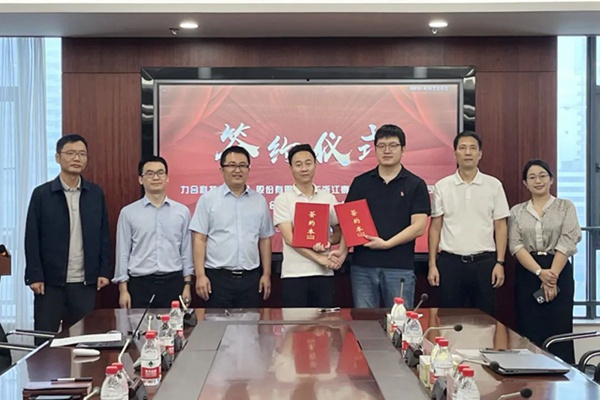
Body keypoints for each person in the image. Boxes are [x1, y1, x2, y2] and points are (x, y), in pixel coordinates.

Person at [330, 124, 431, 309]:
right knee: (365, 322)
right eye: (381, 146)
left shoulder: (415, 184)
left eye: (393, 145)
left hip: (399, 267)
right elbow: (349, 221)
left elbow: (418, 227)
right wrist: (343, 251)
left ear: (403, 149)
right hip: (363, 266)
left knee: (399, 321)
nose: (387, 150)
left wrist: (387, 244)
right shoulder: (361, 183)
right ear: (375, 149)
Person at [24, 134, 111, 341]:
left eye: (82, 154)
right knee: (45, 341)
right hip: (49, 283)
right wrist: (34, 275)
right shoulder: (42, 194)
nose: (76, 158)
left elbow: (103, 235)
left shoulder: (95, 194)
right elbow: (32, 237)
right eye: (70, 153)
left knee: (83, 340)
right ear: (57, 157)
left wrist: (104, 271)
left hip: (84, 281)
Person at [427, 130, 509, 317]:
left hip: (484, 264)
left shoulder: (494, 185)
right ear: (455, 153)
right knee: (448, 320)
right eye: (462, 148)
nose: (468, 152)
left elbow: (501, 226)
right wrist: (432, 264)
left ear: (480, 154)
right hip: (450, 263)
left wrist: (500, 262)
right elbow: (435, 227)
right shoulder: (442, 186)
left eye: (473, 148)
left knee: (486, 321)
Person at [509, 159, 581, 364]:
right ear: (525, 183)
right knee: (529, 327)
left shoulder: (565, 207)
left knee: (559, 327)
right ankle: (528, 372)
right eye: (532, 177)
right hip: (528, 272)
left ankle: (563, 374)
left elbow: (568, 240)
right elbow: (516, 245)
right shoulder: (517, 211)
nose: (538, 181)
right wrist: (540, 273)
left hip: (559, 269)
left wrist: (551, 277)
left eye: (542, 176)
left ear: (551, 179)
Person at [190, 146, 274, 308]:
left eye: (242, 165)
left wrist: (266, 274)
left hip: (251, 279)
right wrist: (200, 275)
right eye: (232, 165)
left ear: (248, 170)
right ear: (222, 169)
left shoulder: (259, 200)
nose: (237, 170)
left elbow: (264, 240)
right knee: (216, 323)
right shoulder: (208, 199)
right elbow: (199, 239)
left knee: (250, 323)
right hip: (217, 278)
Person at [113, 156, 194, 309]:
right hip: (140, 284)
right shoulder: (128, 213)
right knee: (140, 324)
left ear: (167, 177)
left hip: (173, 283)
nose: (156, 178)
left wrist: (187, 285)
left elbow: (186, 251)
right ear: (140, 179)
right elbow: (122, 252)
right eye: (149, 174)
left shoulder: (182, 212)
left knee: (174, 324)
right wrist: (123, 290)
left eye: (160, 173)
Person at [273, 144, 342, 308]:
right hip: (294, 274)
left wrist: (328, 242)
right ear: (291, 168)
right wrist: (320, 258)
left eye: (308, 163)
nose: (304, 169)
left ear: (315, 165)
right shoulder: (283, 200)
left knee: (325, 322)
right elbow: (290, 239)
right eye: (298, 164)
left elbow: (339, 233)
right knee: (295, 322)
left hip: (324, 274)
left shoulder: (328, 198)